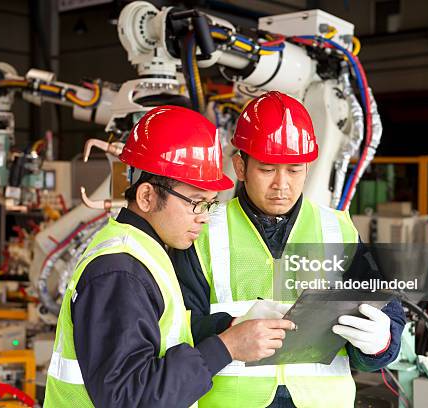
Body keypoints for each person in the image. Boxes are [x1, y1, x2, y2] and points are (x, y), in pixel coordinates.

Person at [44, 105, 295, 407]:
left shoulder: (144, 253)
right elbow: (128, 398)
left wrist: (224, 327)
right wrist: (226, 347)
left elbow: (159, 340)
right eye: (197, 202)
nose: (204, 217)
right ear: (147, 196)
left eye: (210, 204)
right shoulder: (120, 272)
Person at [171, 92, 406, 408]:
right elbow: (174, 326)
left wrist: (381, 343)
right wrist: (229, 326)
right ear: (240, 166)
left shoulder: (336, 228)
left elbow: (384, 315)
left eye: (294, 170)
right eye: (267, 169)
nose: (281, 184)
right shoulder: (204, 228)